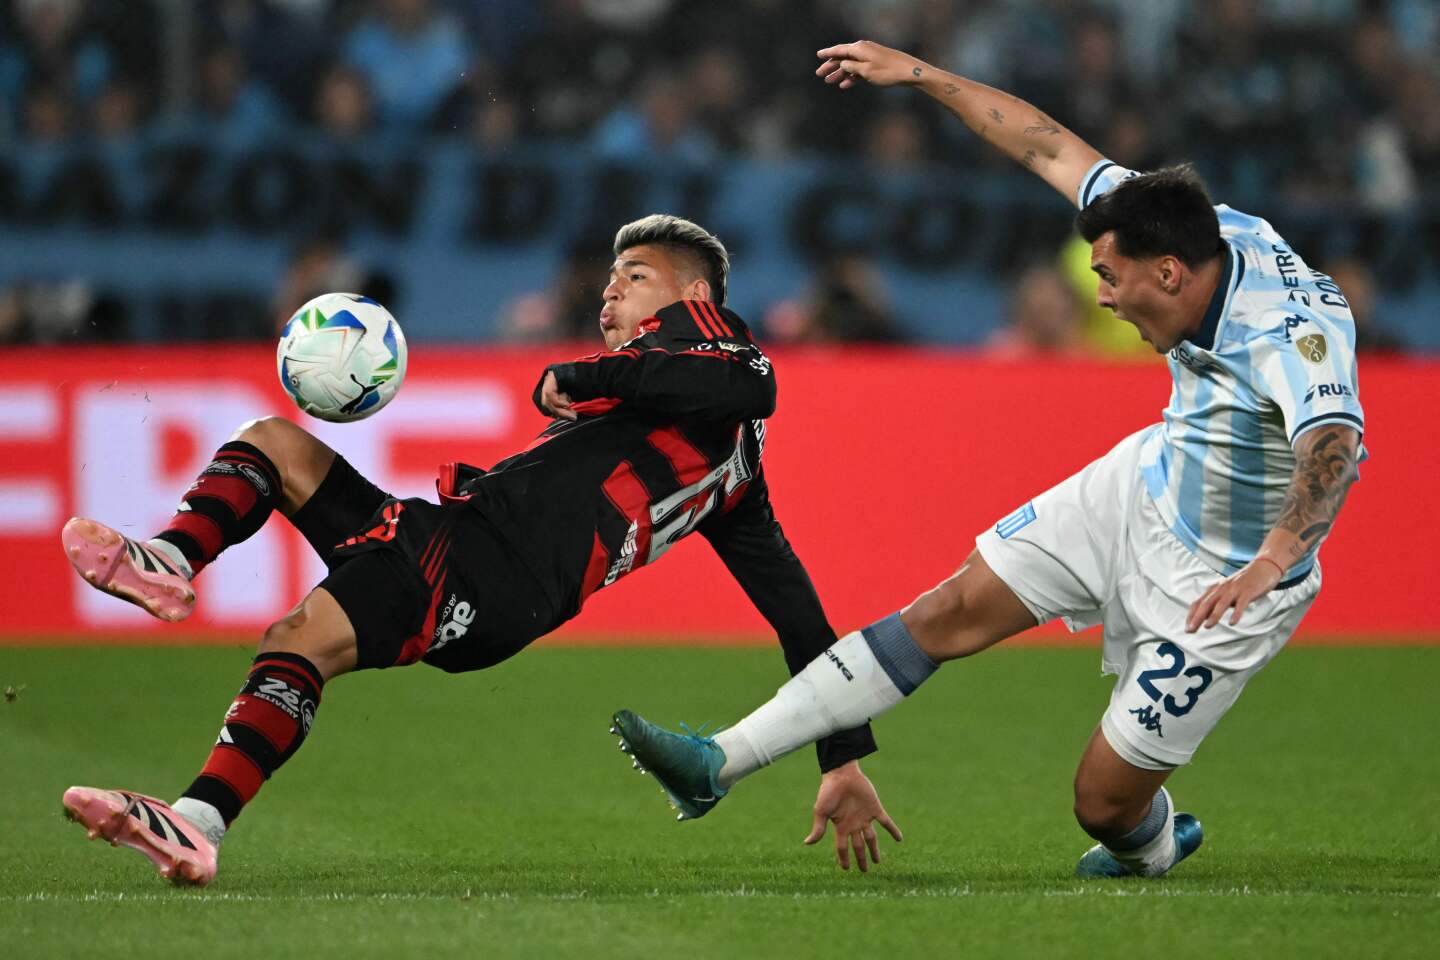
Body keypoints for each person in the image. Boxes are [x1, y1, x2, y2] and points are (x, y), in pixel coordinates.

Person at [613, 41, 1367, 878]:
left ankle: (1150, 844)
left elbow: (1333, 445)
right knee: (948, 610)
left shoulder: (1289, 336)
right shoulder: (1175, 223)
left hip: (1230, 584)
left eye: (1111, 279)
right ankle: (719, 762)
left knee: (1102, 804)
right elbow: (1045, 143)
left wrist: (1274, 559)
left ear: (1169, 270)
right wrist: (924, 77)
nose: (1103, 296)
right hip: (1142, 488)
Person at [59, 214, 883, 885]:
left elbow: (750, 381)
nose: (610, 293)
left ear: (695, 296)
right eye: (608, 280)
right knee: (277, 464)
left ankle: (197, 810)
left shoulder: (710, 357)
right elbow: (796, 611)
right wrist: (842, 753)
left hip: (490, 569)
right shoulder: (717, 457)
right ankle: (175, 590)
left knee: (296, 608)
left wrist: (592, 377)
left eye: (633, 276)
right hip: (466, 548)